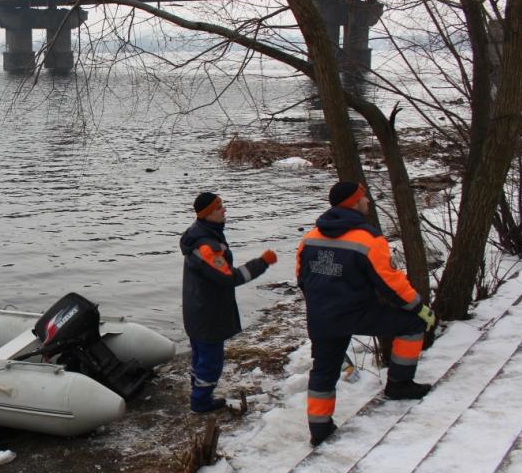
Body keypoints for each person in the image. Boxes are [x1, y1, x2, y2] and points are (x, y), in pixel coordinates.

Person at [296, 181, 436, 447]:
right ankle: (399, 384)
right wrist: (419, 307)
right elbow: (391, 284)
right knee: (412, 324)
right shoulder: (368, 240)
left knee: (323, 371)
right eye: (364, 197)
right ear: (353, 203)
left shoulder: (310, 237)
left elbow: (301, 278)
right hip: (356, 312)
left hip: (321, 316)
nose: (368, 202)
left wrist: (321, 304)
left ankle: (319, 430)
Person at [180, 192, 277, 412]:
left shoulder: (199, 235)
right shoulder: (207, 246)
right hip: (208, 313)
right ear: (207, 214)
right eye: (219, 207)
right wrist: (262, 263)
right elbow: (228, 277)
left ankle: (198, 393)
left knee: (200, 356)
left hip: (197, 309)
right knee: (211, 362)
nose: (224, 210)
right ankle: (201, 402)